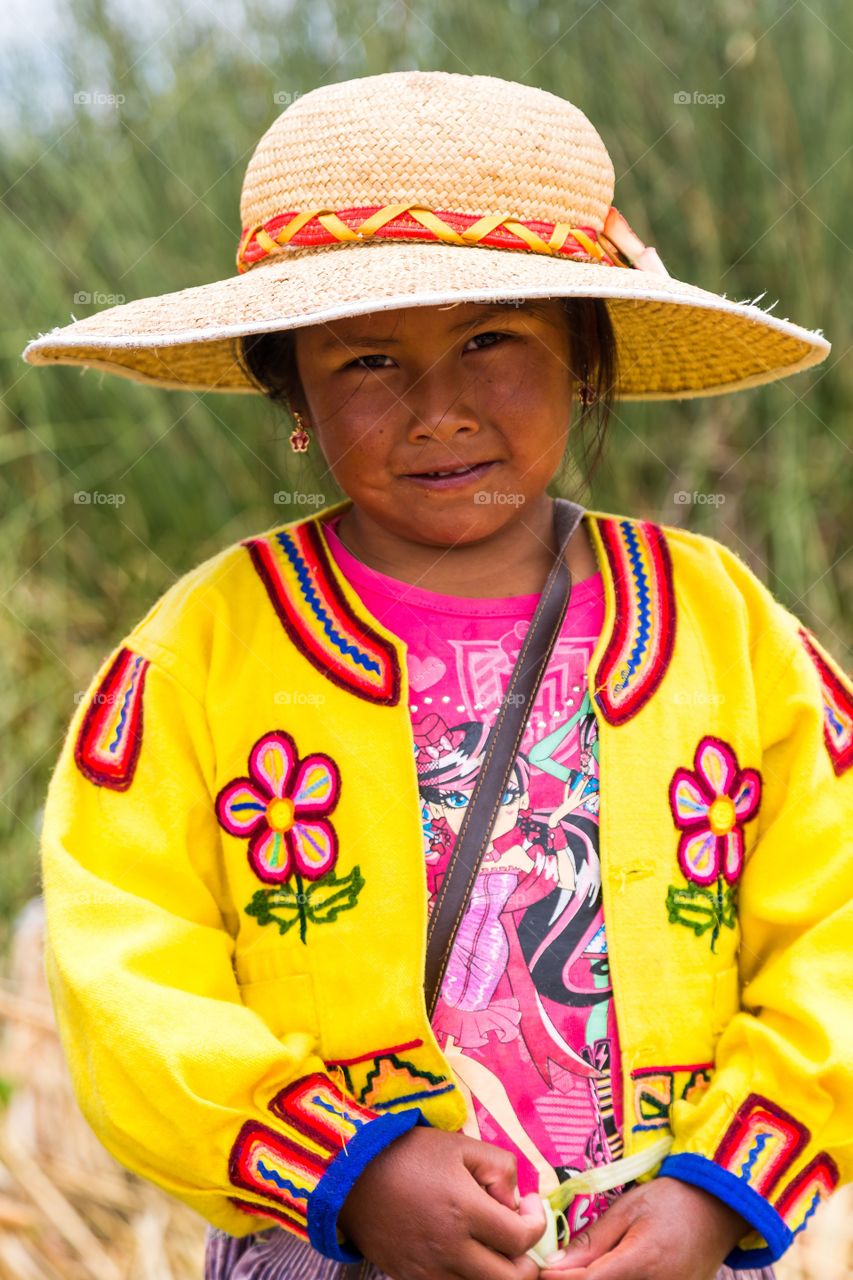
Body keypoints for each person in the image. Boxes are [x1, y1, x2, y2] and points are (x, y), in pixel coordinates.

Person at [23, 70, 851, 1280]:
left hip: (665, 1243)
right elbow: (124, 957)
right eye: (366, 359)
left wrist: (719, 1190)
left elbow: (835, 913)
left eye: (489, 339)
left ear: (585, 354)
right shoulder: (202, 650)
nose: (437, 406)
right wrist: (339, 1169)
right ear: (288, 385)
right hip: (328, 1246)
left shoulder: (724, 628)